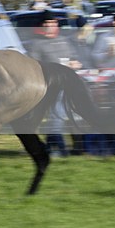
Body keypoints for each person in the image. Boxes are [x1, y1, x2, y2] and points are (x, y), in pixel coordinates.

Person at [26, 11, 82, 157]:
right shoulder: (36, 43)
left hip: (71, 85)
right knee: (58, 118)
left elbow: (75, 57)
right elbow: (34, 65)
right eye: (47, 23)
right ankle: (60, 151)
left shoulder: (64, 40)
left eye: (53, 23)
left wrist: (76, 63)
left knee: (73, 117)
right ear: (42, 25)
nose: (50, 26)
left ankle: (73, 148)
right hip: (52, 86)